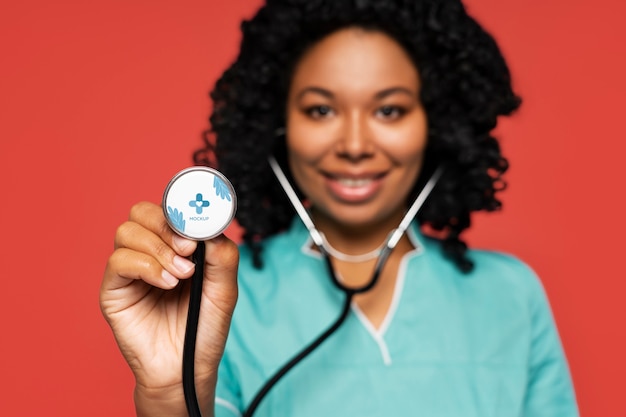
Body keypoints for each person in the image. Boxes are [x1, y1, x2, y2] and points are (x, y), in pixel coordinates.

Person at [100, 0, 579, 416]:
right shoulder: (216, 294)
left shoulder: (511, 296)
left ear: (439, 125)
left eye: (389, 110)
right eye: (321, 110)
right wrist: (168, 393)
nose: (354, 145)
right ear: (276, 123)